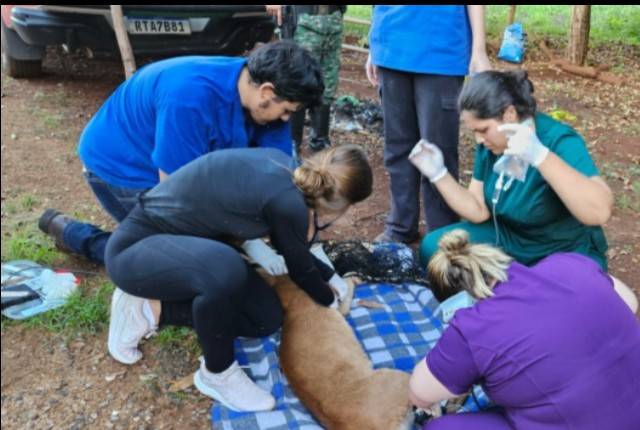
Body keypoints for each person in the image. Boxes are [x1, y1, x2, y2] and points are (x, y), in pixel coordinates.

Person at [104, 145, 373, 412]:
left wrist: (330, 276)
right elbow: (300, 269)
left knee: (265, 318)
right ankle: (217, 373)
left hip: (184, 250)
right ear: (341, 204)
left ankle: (148, 309)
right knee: (225, 269)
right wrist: (329, 300)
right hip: (135, 250)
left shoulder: (286, 170)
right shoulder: (289, 204)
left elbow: (292, 248)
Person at [38, 40, 324, 265]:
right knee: (180, 261)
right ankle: (75, 235)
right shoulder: (189, 99)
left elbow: (281, 176)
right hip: (122, 166)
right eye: (287, 111)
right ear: (266, 92)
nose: (286, 119)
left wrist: (309, 240)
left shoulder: (264, 99)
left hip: (179, 160)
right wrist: (245, 240)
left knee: (221, 246)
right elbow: (177, 200)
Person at [410, 229, 640, 430]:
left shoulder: (472, 327)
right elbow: (630, 302)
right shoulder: (569, 263)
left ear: (456, 304)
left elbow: (419, 393)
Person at [413, 70, 613, 271]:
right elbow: (478, 210)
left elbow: (599, 212)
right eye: (474, 131)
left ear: (509, 114)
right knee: (434, 249)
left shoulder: (558, 140)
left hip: (559, 248)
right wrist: (439, 174)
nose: (479, 139)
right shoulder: (490, 145)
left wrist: (541, 157)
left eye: (483, 130)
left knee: (541, 287)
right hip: (508, 237)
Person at [366, 5, 491, 244]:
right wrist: (375, 44)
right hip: (390, 44)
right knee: (397, 148)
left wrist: (479, 50)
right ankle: (400, 226)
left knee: (439, 150)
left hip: (440, 49)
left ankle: (442, 232)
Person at [266, 5, 346, 153]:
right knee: (297, 80)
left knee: (328, 83)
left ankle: (320, 140)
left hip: (333, 20)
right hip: (302, 20)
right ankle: (292, 144)